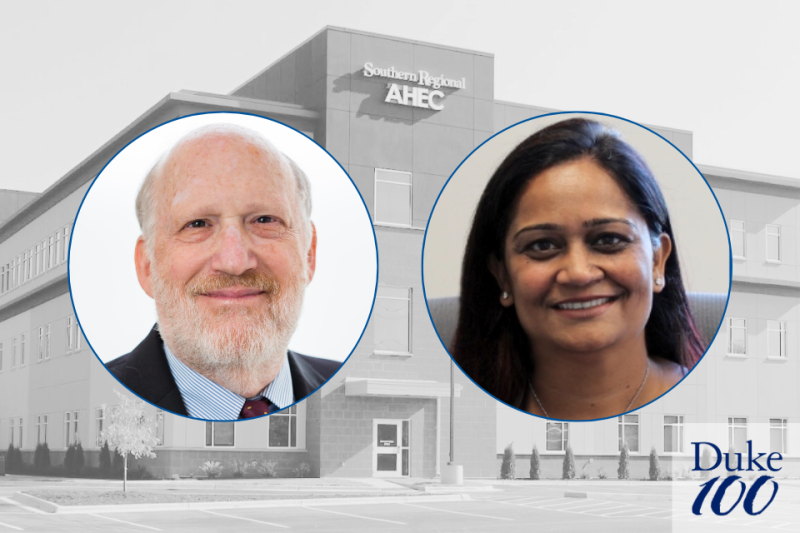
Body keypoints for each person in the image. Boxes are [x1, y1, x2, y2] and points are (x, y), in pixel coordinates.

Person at [453, 118, 705, 420]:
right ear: (502, 274)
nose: (578, 273)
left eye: (609, 239)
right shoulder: (463, 420)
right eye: (543, 245)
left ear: (657, 261)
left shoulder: (712, 408)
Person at [106, 123, 340, 420]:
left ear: (308, 254)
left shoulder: (338, 385)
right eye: (198, 224)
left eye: (265, 220)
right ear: (148, 266)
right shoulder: (105, 400)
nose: (234, 261)